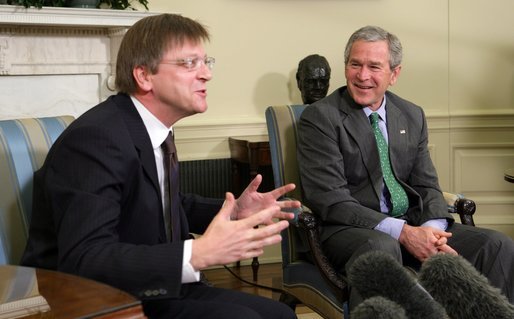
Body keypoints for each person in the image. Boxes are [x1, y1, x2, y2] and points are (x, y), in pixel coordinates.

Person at [21, 14, 299, 319]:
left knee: (280, 315)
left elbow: (161, 203)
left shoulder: (155, 128)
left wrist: (232, 211)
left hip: (156, 285)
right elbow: (85, 259)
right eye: (190, 63)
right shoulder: (97, 139)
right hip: (99, 301)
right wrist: (199, 252)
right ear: (144, 76)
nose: (206, 74)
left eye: (207, 62)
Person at [296, 25, 514, 309]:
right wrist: (403, 233)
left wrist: (431, 233)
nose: (363, 76)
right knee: (381, 247)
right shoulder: (320, 118)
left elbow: (427, 185)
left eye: (374, 66)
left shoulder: (411, 115)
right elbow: (331, 201)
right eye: (355, 64)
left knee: (496, 245)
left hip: (411, 223)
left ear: (394, 74)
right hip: (347, 230)